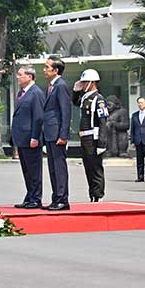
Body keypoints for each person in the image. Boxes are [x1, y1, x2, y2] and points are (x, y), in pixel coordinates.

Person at [11, 66, 45, 209]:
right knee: (27, 171)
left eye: (20, 74)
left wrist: (35, 137)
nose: (17, 77)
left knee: (34, 171)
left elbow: (38, 117)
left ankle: (36, 198)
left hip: (31, 138)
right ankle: (30, 196)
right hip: (22, 138)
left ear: (30, 76)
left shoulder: (36, 93)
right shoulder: (22, 93)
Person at [41, 56, 71, 210]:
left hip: (57, 133)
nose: (44, 70)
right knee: (53, 167)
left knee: (59, 167)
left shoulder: (61, 86)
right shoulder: (51, 86)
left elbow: (66, 111)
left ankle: (62, 199)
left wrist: (63, 135)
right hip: (50, 133)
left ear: (56, 70)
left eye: (47, 67)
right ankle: (56, 198)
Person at [74, 69, 108, 202]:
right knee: (88, 167)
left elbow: (103, 122)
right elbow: (75, 102)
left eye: (85, 82)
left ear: (92, 82)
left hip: (93, 138)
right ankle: (92, 194)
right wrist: (75, 92)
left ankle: (98, 195)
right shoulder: (85, 98)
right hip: (85, 137)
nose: (82, 84)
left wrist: (101, 143)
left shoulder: (98, 99)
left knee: (96, 168)